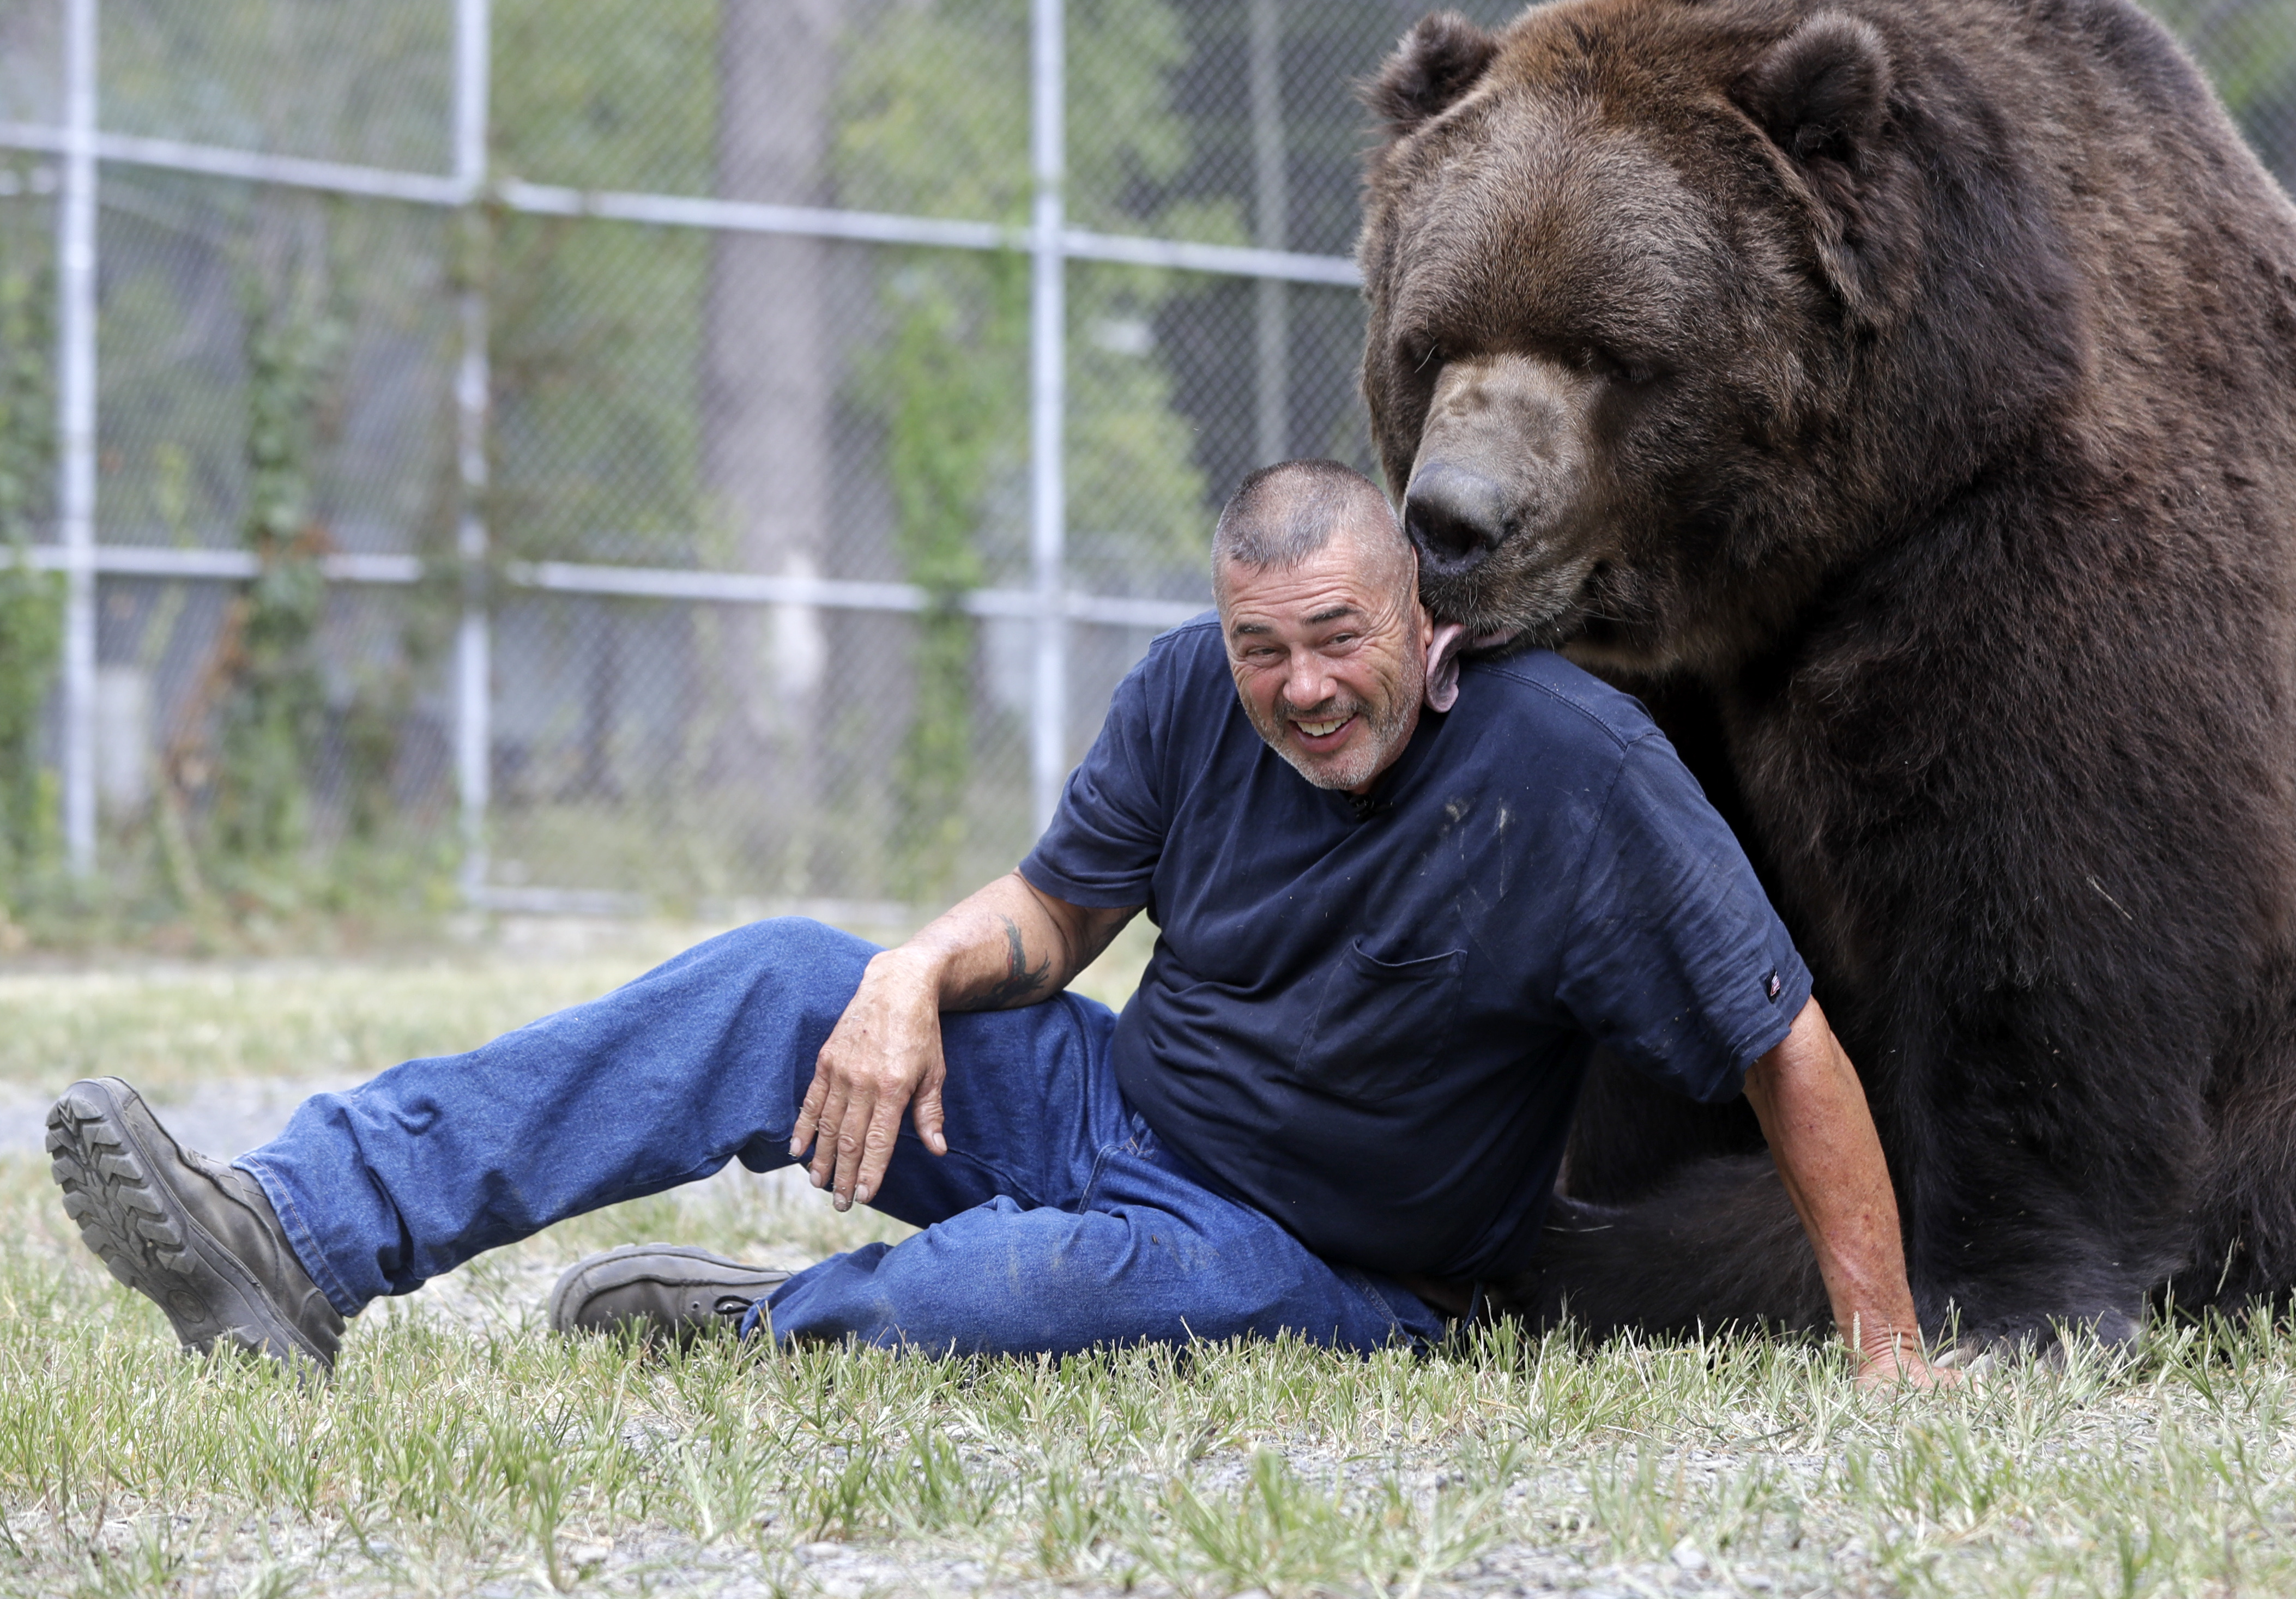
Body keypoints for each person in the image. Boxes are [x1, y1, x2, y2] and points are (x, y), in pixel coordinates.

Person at [47, 461, 1936, 1385]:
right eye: (1259, 646)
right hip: (1116, 1108)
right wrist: (903, 974)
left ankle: (783, 1324)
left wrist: (1883, 1354)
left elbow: (1783, 1039)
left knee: (1012, 1291)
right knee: (773, 977)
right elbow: (1054, 910)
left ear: (1427, 627)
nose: (1296, 686)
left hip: (1335, 1259)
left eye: (1337, 639)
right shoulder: (1188, 694)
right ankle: (294, 1232)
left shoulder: (1571, 768)